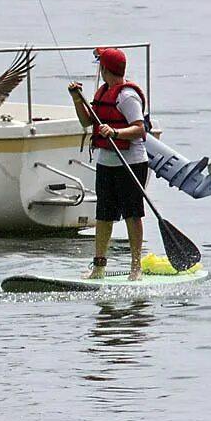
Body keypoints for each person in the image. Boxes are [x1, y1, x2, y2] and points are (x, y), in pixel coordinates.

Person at [68, 47, 149, 280]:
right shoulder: (103, 92)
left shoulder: (127, 96)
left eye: (100, 67)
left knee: (132, 215)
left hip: (131, 163)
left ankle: (136, 267)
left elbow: (140, 128)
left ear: (105, 69)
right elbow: (86, 122)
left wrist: (115, 132)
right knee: (103, 216)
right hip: (106, 163)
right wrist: (76, 99)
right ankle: (99, 267)